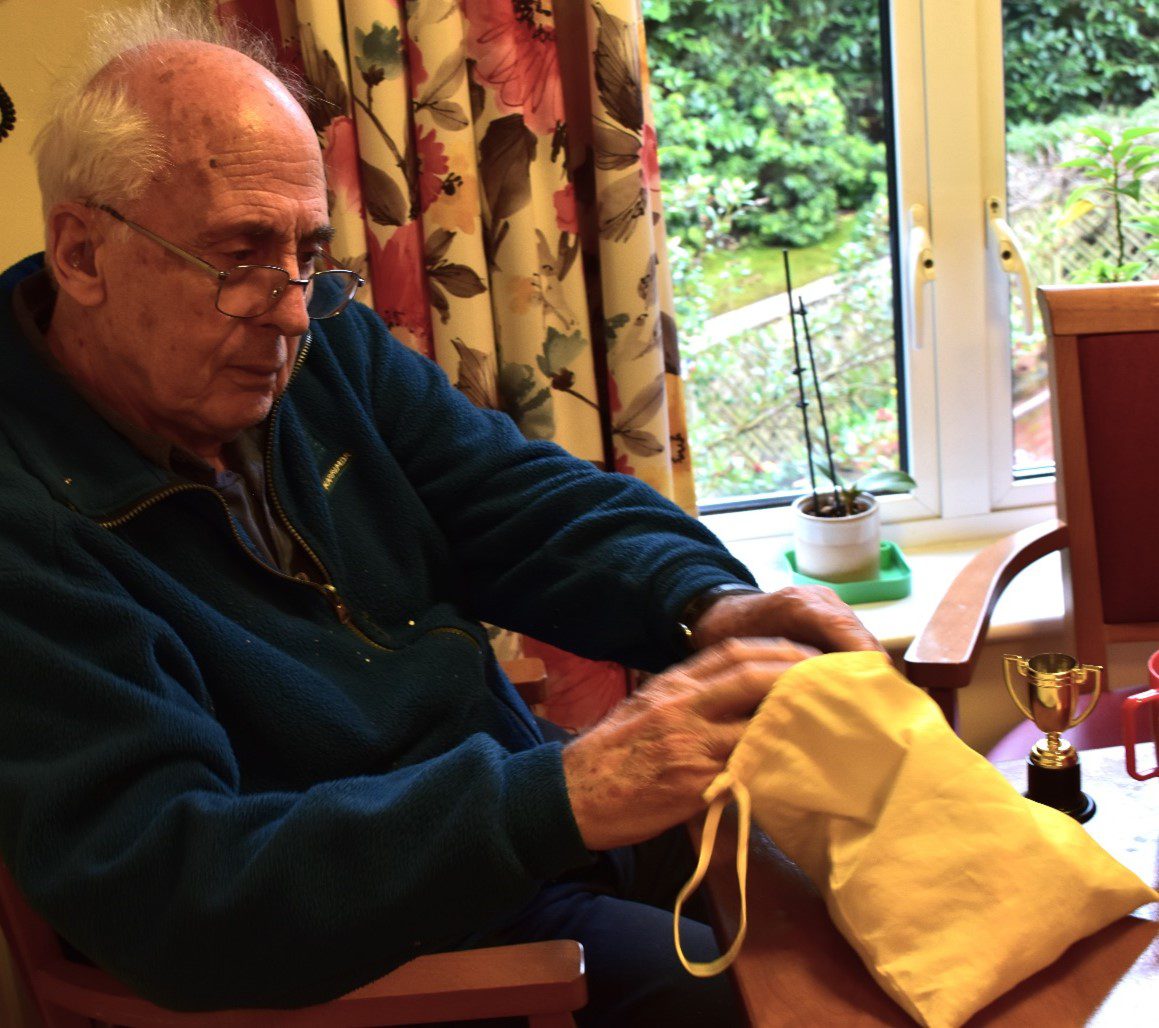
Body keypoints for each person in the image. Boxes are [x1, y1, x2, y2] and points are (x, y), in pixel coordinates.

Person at [0, 4, 879, 1023]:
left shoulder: (317, 348)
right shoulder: (25, 527)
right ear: (82, 255)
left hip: (516, 834)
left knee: (868, 909)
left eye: (309, 253)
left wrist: (707, 602)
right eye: (239, 256)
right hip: (390, 955)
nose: (292, 310)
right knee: (811, 1000)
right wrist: (561, 795)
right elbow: (175, 889)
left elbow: (516, 501)